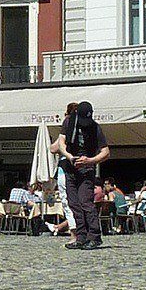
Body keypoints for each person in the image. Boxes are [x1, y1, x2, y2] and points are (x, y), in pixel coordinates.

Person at [54, 101, 109, 250]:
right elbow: (61, 143)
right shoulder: (68, 122)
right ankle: (81, 236)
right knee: (74, 203)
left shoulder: (95, 127)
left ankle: (95, 236)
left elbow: (105, 152)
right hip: (69, 167)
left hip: (86, 169)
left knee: (86, 202)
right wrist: (69, 156)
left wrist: (90, 160)